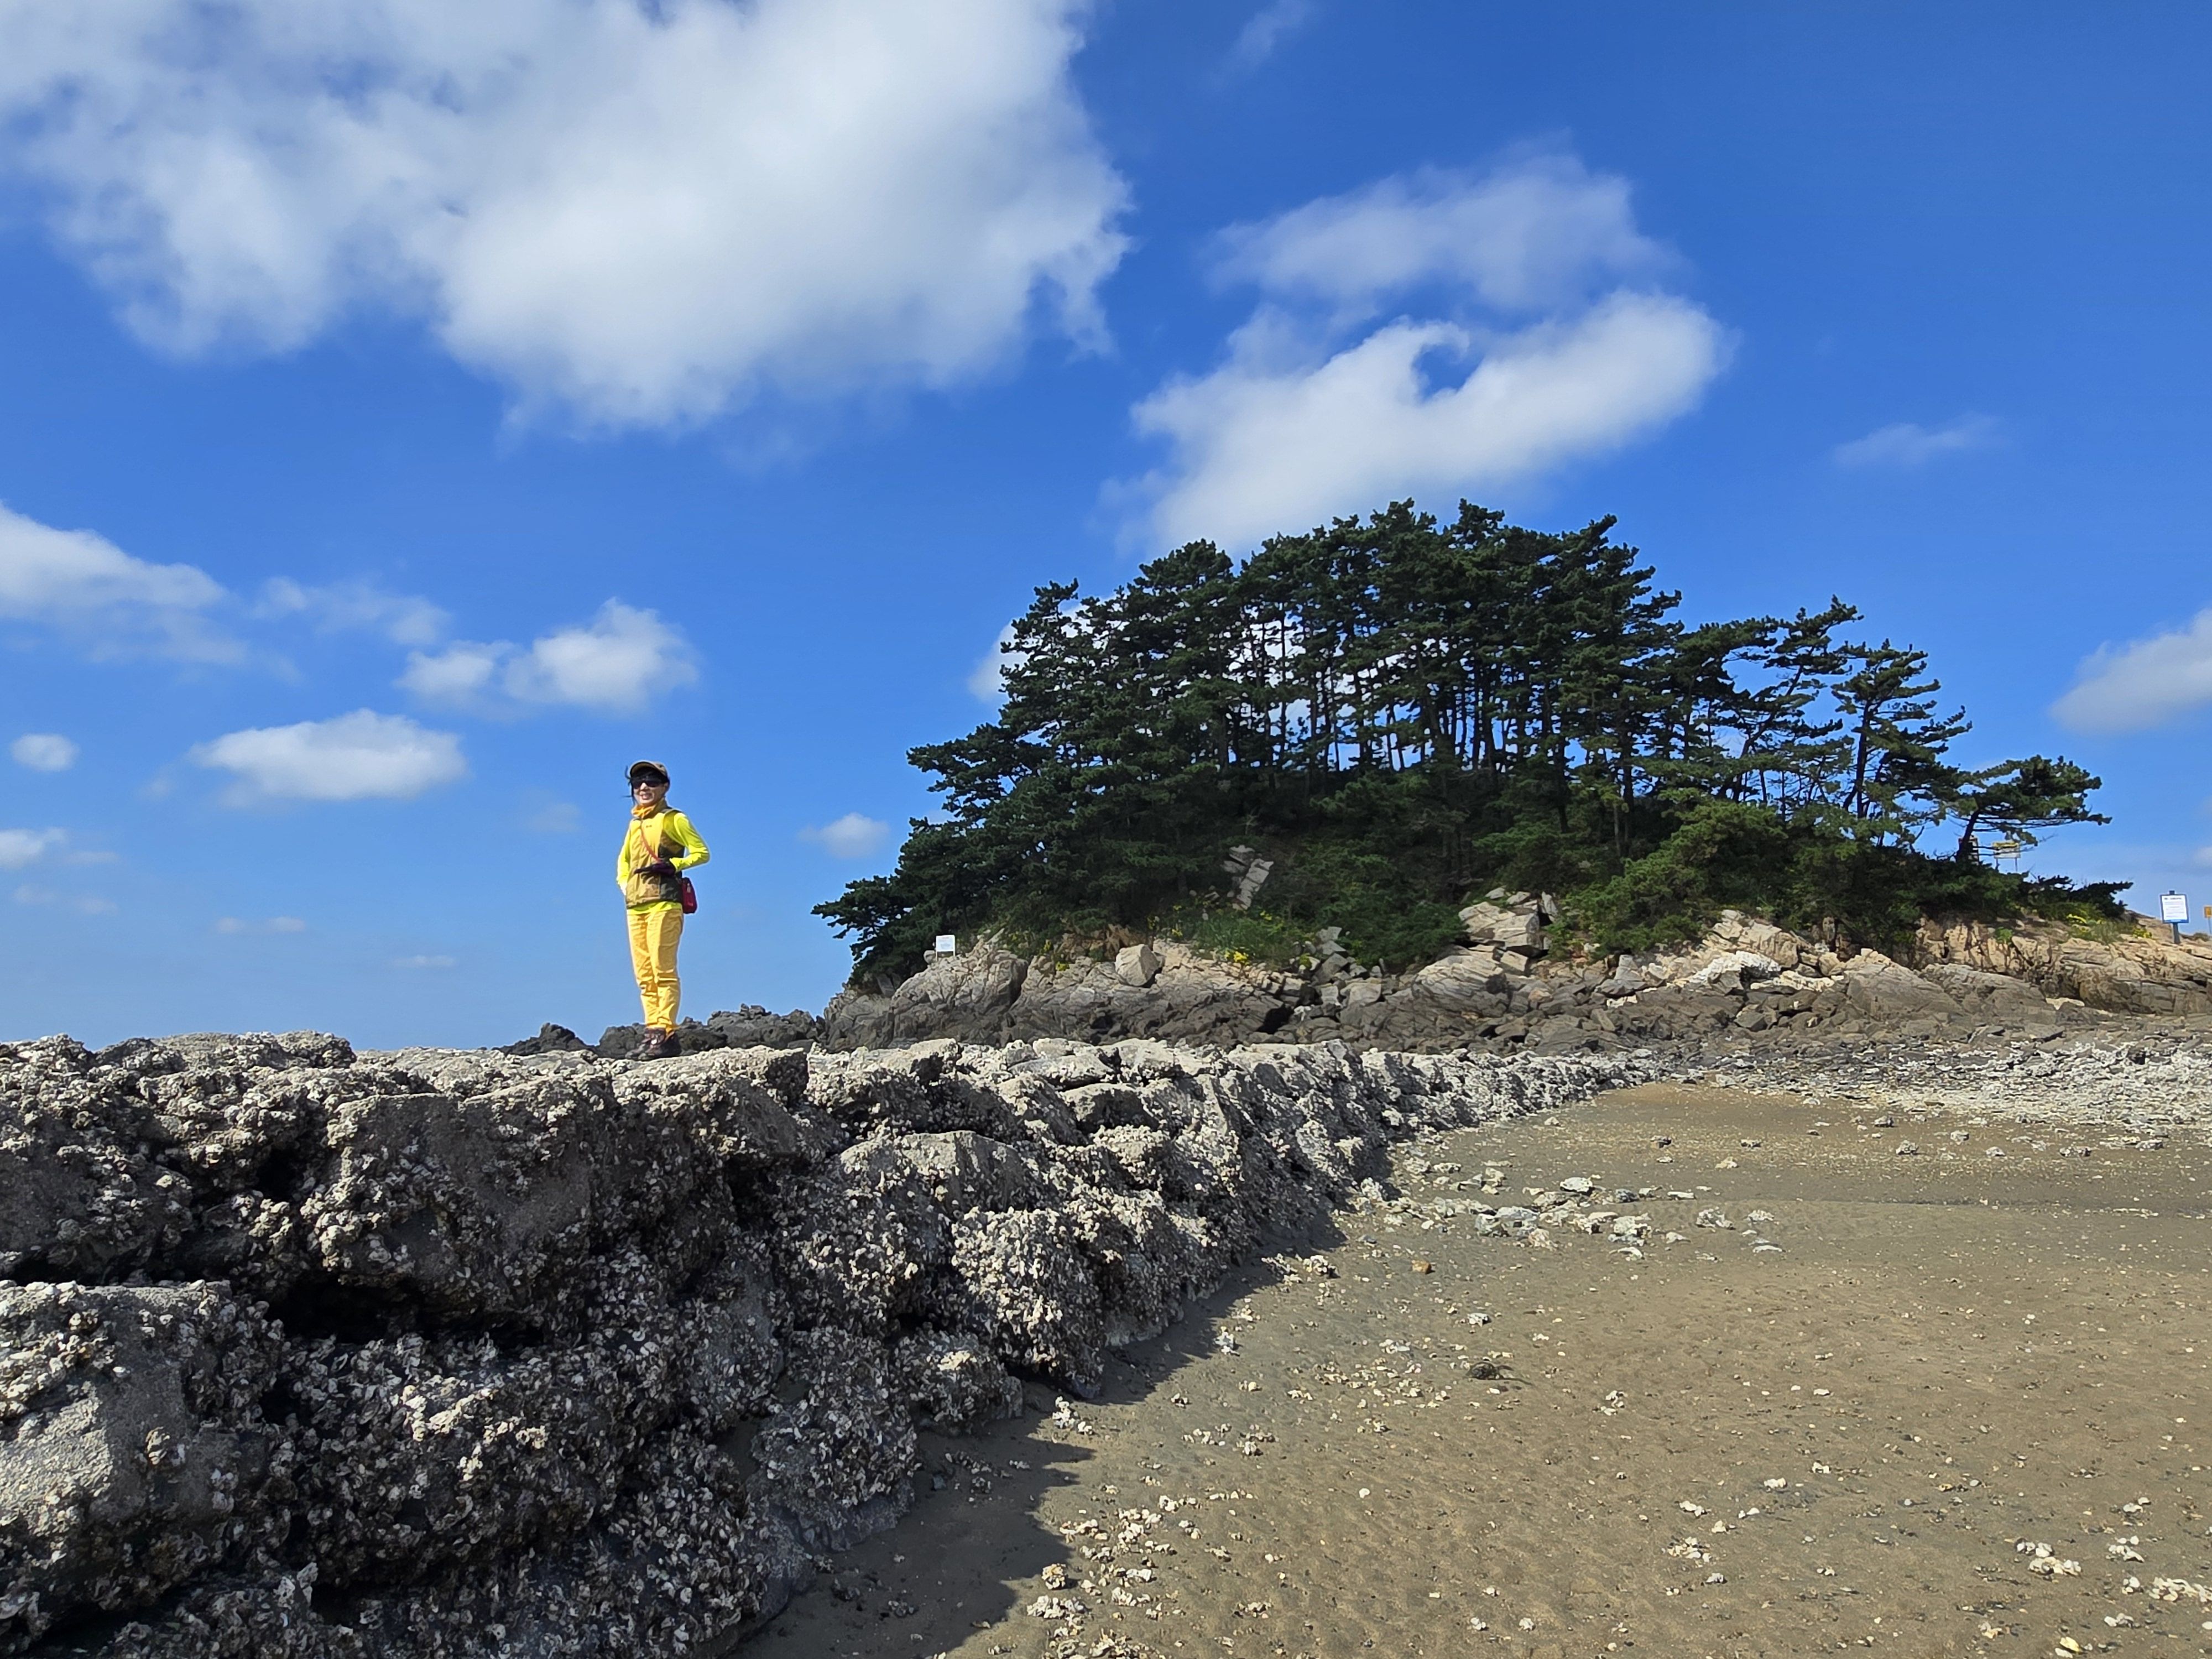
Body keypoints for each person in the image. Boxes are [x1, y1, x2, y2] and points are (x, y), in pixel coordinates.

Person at [615, 760, 709, 1058]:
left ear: (665, 787)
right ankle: (652, 1030)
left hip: (665, 902)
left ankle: (665, 1031)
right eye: (638, 782)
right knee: (644, 973)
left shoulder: (674, 819)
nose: (644, 786)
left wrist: (674, 864)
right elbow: (624, 862)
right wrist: (625, 885)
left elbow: (702, 853)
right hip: (636, 906)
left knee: (662, 969)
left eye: (652, 781)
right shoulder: (635, 824)